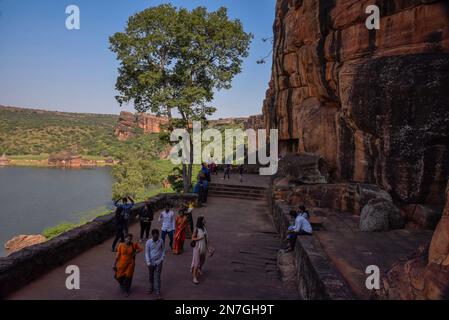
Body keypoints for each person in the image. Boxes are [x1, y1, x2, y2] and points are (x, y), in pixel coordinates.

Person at [191, 216, 213, 284]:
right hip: (197, 247)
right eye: (204, 220)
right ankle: (194, 277)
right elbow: (192, 238)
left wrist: (209, 247)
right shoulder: (196, 229)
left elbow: (206, 238)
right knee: (196, 262)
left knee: (203, 259)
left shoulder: (204, 228)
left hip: (203, 246)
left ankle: (199, 269)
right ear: (201, 221)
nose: (205, 220)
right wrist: (200, 238)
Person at [145, 229, 165, 299]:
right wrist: (148, 262)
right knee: (151, 276)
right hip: (150, 262)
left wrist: (162, 258)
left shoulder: (161, 241)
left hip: (158, 261)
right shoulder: (148, 242)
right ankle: (151, 288)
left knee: (158, 276)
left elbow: (163, 250)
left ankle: (158, 290)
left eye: (157, 234)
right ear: (152, 235)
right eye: (155, 234)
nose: (156, 236)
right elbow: (147, 252)